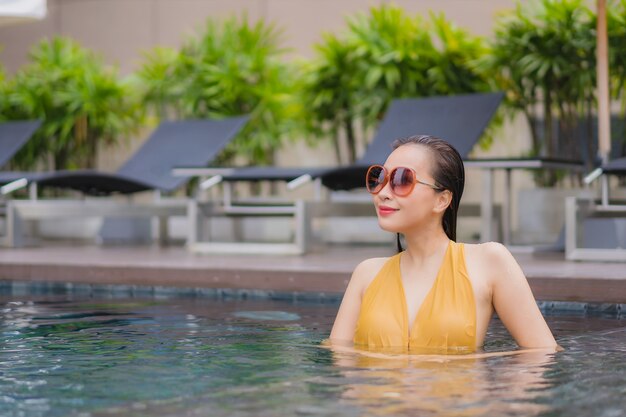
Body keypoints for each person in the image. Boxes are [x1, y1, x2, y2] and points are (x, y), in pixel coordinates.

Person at [329, 135, 558, 353]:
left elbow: (542, 353)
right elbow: (339, 357)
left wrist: (482, 370)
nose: (383, 193)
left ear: (442, 200)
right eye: (379, 178)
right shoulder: (367, 273)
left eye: (401, 179)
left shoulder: (489, 262)